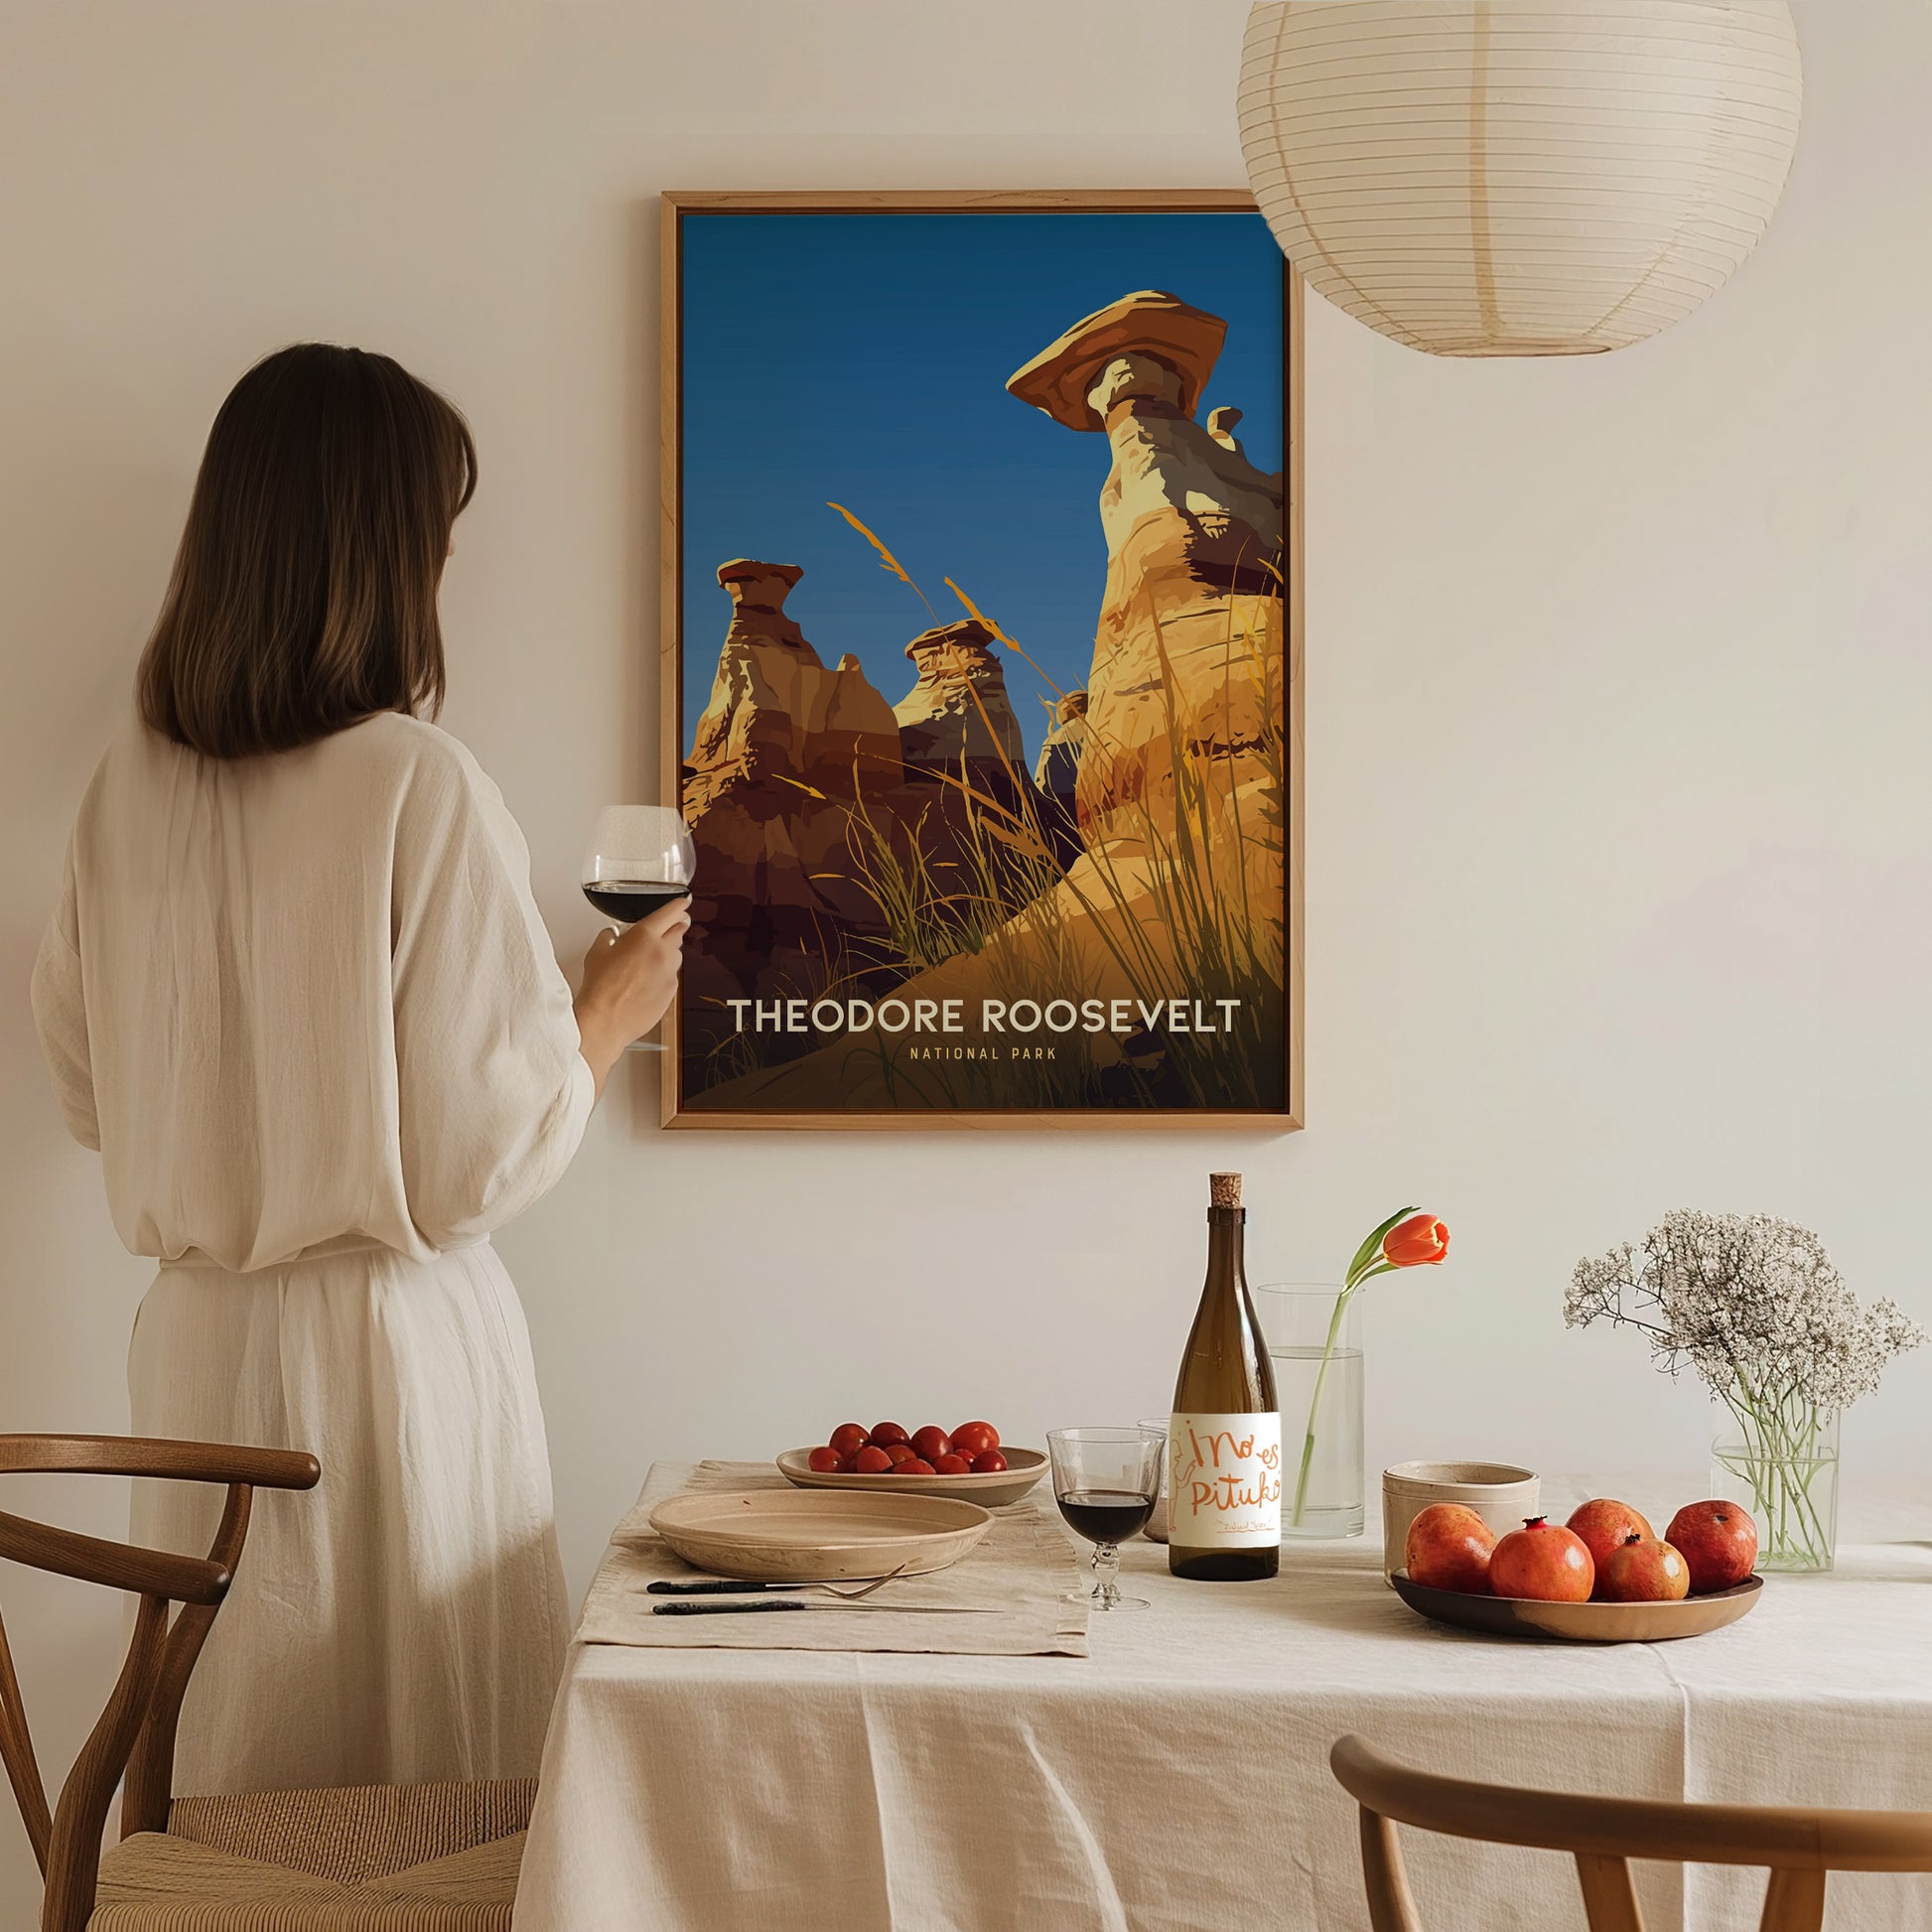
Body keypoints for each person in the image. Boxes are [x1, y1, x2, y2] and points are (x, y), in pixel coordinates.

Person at [29, 343, 685, 1793]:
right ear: (384, 552)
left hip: (196, 1352)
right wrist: (601, 1013)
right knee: (420, 1798)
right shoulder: (414, 779)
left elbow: (87, 1093)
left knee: (239, 1778)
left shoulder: (121, 792)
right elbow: (470, 1164)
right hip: (388, 1363)